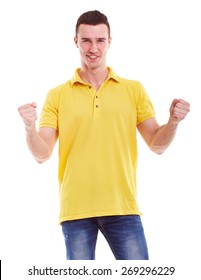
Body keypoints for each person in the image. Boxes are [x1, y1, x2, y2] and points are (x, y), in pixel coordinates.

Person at [18, 10, 190, 260]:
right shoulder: (57, 95)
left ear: (110, 41)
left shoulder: (133, 90)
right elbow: (42, 154)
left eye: (100, 40)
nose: (93, 48)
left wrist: (173, 122)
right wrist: (28, 128)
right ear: (76, 41)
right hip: (75, 211)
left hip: (123, 207)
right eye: (86, 40)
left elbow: (156, 144)